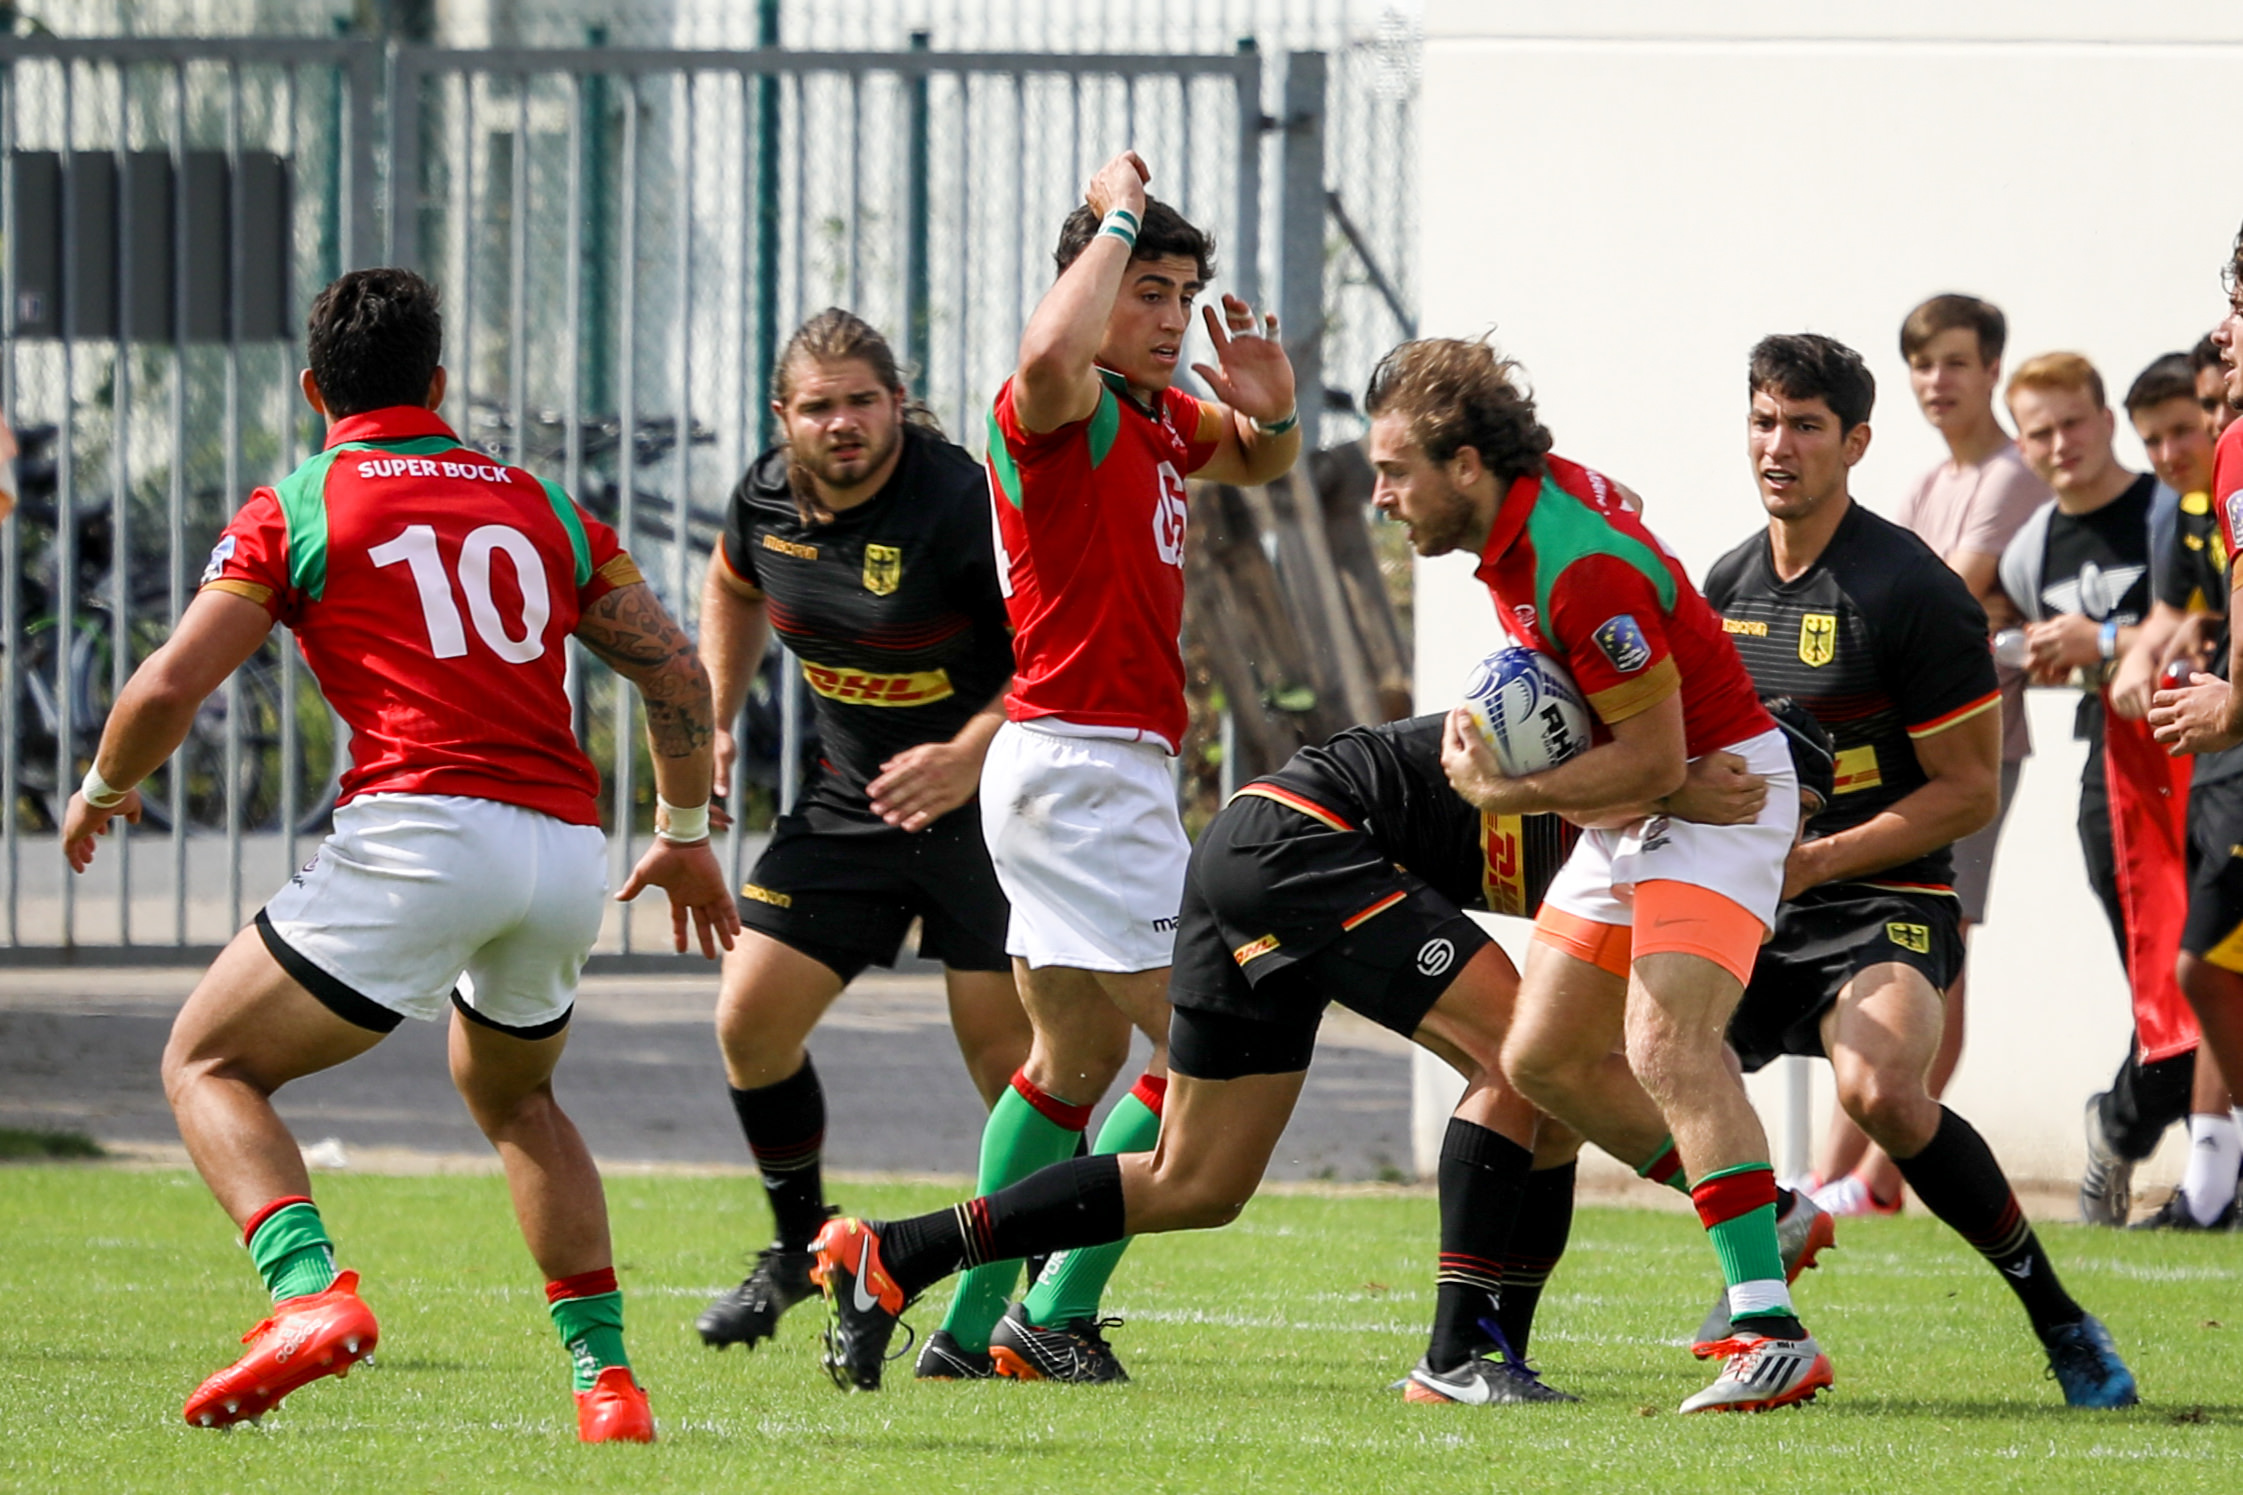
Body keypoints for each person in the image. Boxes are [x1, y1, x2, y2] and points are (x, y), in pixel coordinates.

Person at [62, 268, 740, 1440]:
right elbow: (677, 672)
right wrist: (683, 836)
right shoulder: (543, 503)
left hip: (424, 832)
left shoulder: (302, 503)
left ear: (313, 390)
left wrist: (102, 789)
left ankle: (307, 1295)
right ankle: (608, 1386)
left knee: (206, 1063)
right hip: (561, 853)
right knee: (518, 1097)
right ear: (437, 383)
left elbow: (171, 683)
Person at [796, 709, 1822, 1402]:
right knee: (1522, 1061)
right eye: (1797, 812)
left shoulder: (1676, 819)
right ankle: (1460, 1356)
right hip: (1305, 837)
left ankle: (897, 1252)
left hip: (1251, 848)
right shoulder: (1656, 796)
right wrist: (1750, 1200)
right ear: (1752, 780)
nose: (1795, 841)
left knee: (1196, 1180)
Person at [1356, 338, 1824, 1413]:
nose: (1381, 495)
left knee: (1666, 1044)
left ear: (1465, 464)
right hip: (1641, 800)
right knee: (1542, 1059)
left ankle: (1768, 1328)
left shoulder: (1575, 568)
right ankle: (1769, 1214)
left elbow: (1658, 760)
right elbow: (1626, 513)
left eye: (1393, 471)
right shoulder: (1530, 518)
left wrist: (1502, 791)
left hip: (1718, 793)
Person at [1702, 333, 2137, 1407]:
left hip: (1885, 894)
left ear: (1854, 442)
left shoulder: (1911, 590)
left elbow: (1966, 792)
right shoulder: (1726, 583)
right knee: (1622, 1054)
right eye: (1762, 421)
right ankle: (1493, 1333)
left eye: (1805, 426)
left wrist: (1814, 862)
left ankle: (2059, 1319)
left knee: (1881, 1091)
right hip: (1760, 895)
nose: (1777, 446)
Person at [921, 148, 1299, 1384]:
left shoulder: (1151, 417)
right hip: (1078, 773)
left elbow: (1261, 457)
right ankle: (1052, 1310)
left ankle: (971, 1332)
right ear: (1090, 285)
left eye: (1182, 294)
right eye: (1146, 290)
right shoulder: (1058, 405)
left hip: (1085, 774)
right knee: (1205, 1046)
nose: (1172, 317)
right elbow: (1044, 354)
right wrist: (1115, 216)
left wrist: (1273, 409)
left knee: (1068, 1065)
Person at [691, 308, 1033, 1357]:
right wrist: (715, 714)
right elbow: (731, 583)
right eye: (818, 406)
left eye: (861, 401)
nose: (841, 422)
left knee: (1011, 1065)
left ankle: (1043, 1301)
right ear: (782, 415)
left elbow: (1050, 651)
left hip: (985, 810)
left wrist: (966, 751)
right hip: (851, 804)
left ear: (897, 402)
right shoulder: (764, 496)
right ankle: (800, 1248)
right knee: (749, 1020)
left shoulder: (961, 500)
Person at [1806, 295, 2050, 1217]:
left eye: (1953, 361)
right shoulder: (1926, 485)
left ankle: (1873, 1180)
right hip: (1896, 750)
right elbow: (1884, 604)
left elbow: (1938, 601)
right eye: (1920, 364)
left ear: (1991, 369)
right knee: (1874, 948)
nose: (1934, 381)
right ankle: (1835, 1171)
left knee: (1939, 952)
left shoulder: (2009, 477)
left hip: (1969, 751)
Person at [1998, 352, 2196, 1226]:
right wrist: (2043, 655)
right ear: (2020, 445)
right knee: (2170, 984)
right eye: (2038, 431)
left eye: (2072, 421)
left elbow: (2205, 618)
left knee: (2205, 976)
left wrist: (2106, 639)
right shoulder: (2028, 549)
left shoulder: (2167, 508)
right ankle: (2148, 1142)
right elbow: (2010, 643)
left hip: (2207, 761)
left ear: (2106, 420)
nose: (2059, 443)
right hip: (2115, 783)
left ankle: (2125, 1130)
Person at [2149, 222, 2243, 1231]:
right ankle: (2213, 1177)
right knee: (2205, 963)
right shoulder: (2185, 502)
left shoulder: (2238, 452)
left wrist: (2232, 700)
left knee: (2203, 963)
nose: (2223, 333)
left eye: (2238, 308)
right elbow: (2178, 609)